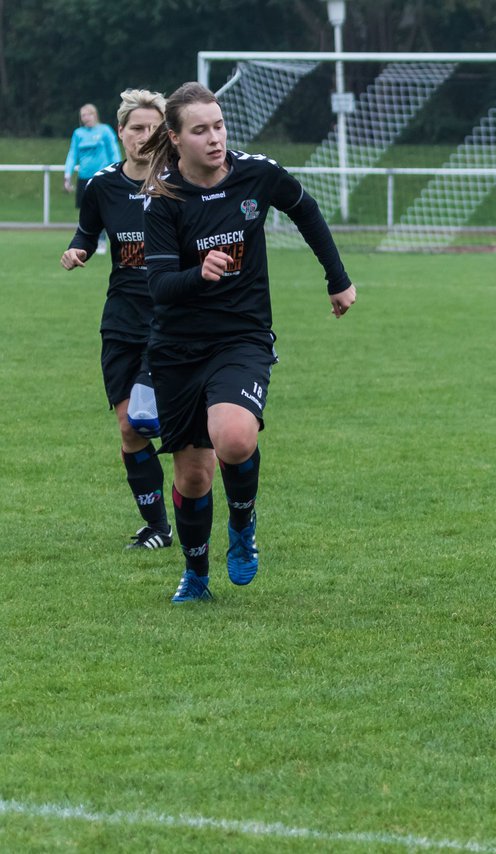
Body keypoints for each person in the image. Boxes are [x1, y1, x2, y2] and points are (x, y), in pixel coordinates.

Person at [137, 82, 357, 603]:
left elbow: (305, 209)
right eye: (200, 130)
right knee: (193, 476)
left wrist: (337, 277)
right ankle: (196, 576)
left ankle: (242, 525)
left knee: (234, 437)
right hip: (177, 349)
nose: (215, 138)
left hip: (242, 337)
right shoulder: (162, 201)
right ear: (175, 137)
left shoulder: (257, 173)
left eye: (218, 125)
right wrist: (200, 273)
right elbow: (161, 289)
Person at [59, 89, 173, 550]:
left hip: (171, 322)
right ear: (120, 132)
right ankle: (158, 528)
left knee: (152, 420)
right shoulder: (102, 185)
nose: (144, 137)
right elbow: (87, 233)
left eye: (153, 129)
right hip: (121, 321)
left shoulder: (181, 184)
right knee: (129, 427)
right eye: (136, 129)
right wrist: (76, 251)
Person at [65, 103, 122, 253]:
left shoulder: (105, 131)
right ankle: (87, 240)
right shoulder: (78, 133)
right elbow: (72, 155)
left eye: (88, 114)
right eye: (83, 115)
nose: (85, 118)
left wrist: (118, 172)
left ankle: (103, 240)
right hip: (84, 177)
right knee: (86, 210)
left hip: (102, 178)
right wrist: (67, 175)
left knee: (103, 209)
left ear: (94, 114)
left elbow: (114, 152)